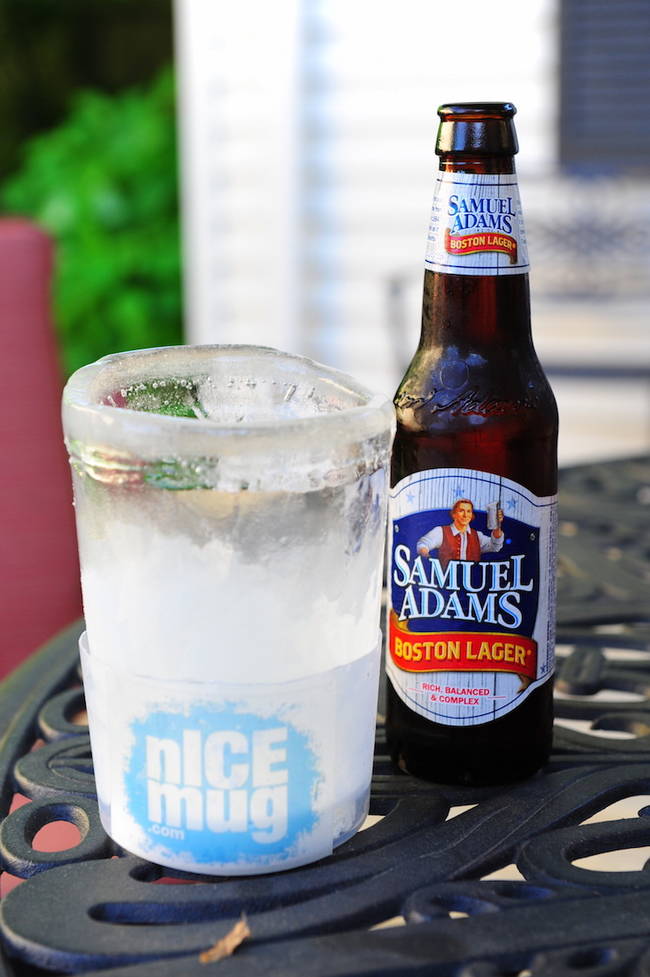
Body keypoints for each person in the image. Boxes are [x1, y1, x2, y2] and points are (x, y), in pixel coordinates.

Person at [417, 499, 504, 569]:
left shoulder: (477, 536)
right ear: (454, 514)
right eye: (461, 511)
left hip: (473, 583)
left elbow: (495, 546)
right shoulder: (441, 531)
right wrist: (425, 555)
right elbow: (423, 544)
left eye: (469, 511)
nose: (465, 515)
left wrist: (497, 527)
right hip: (446, 582)